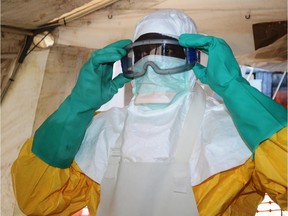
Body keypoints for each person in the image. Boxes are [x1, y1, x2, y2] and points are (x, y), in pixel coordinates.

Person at [11, 9, 287, 216]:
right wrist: (77, 106)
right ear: (128, 63)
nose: (150, 69)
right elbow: (36, 197)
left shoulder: (234, 132)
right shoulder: (101, 130)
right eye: (141, 59)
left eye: (164, 55)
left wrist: (236, 91)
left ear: (192, 59)